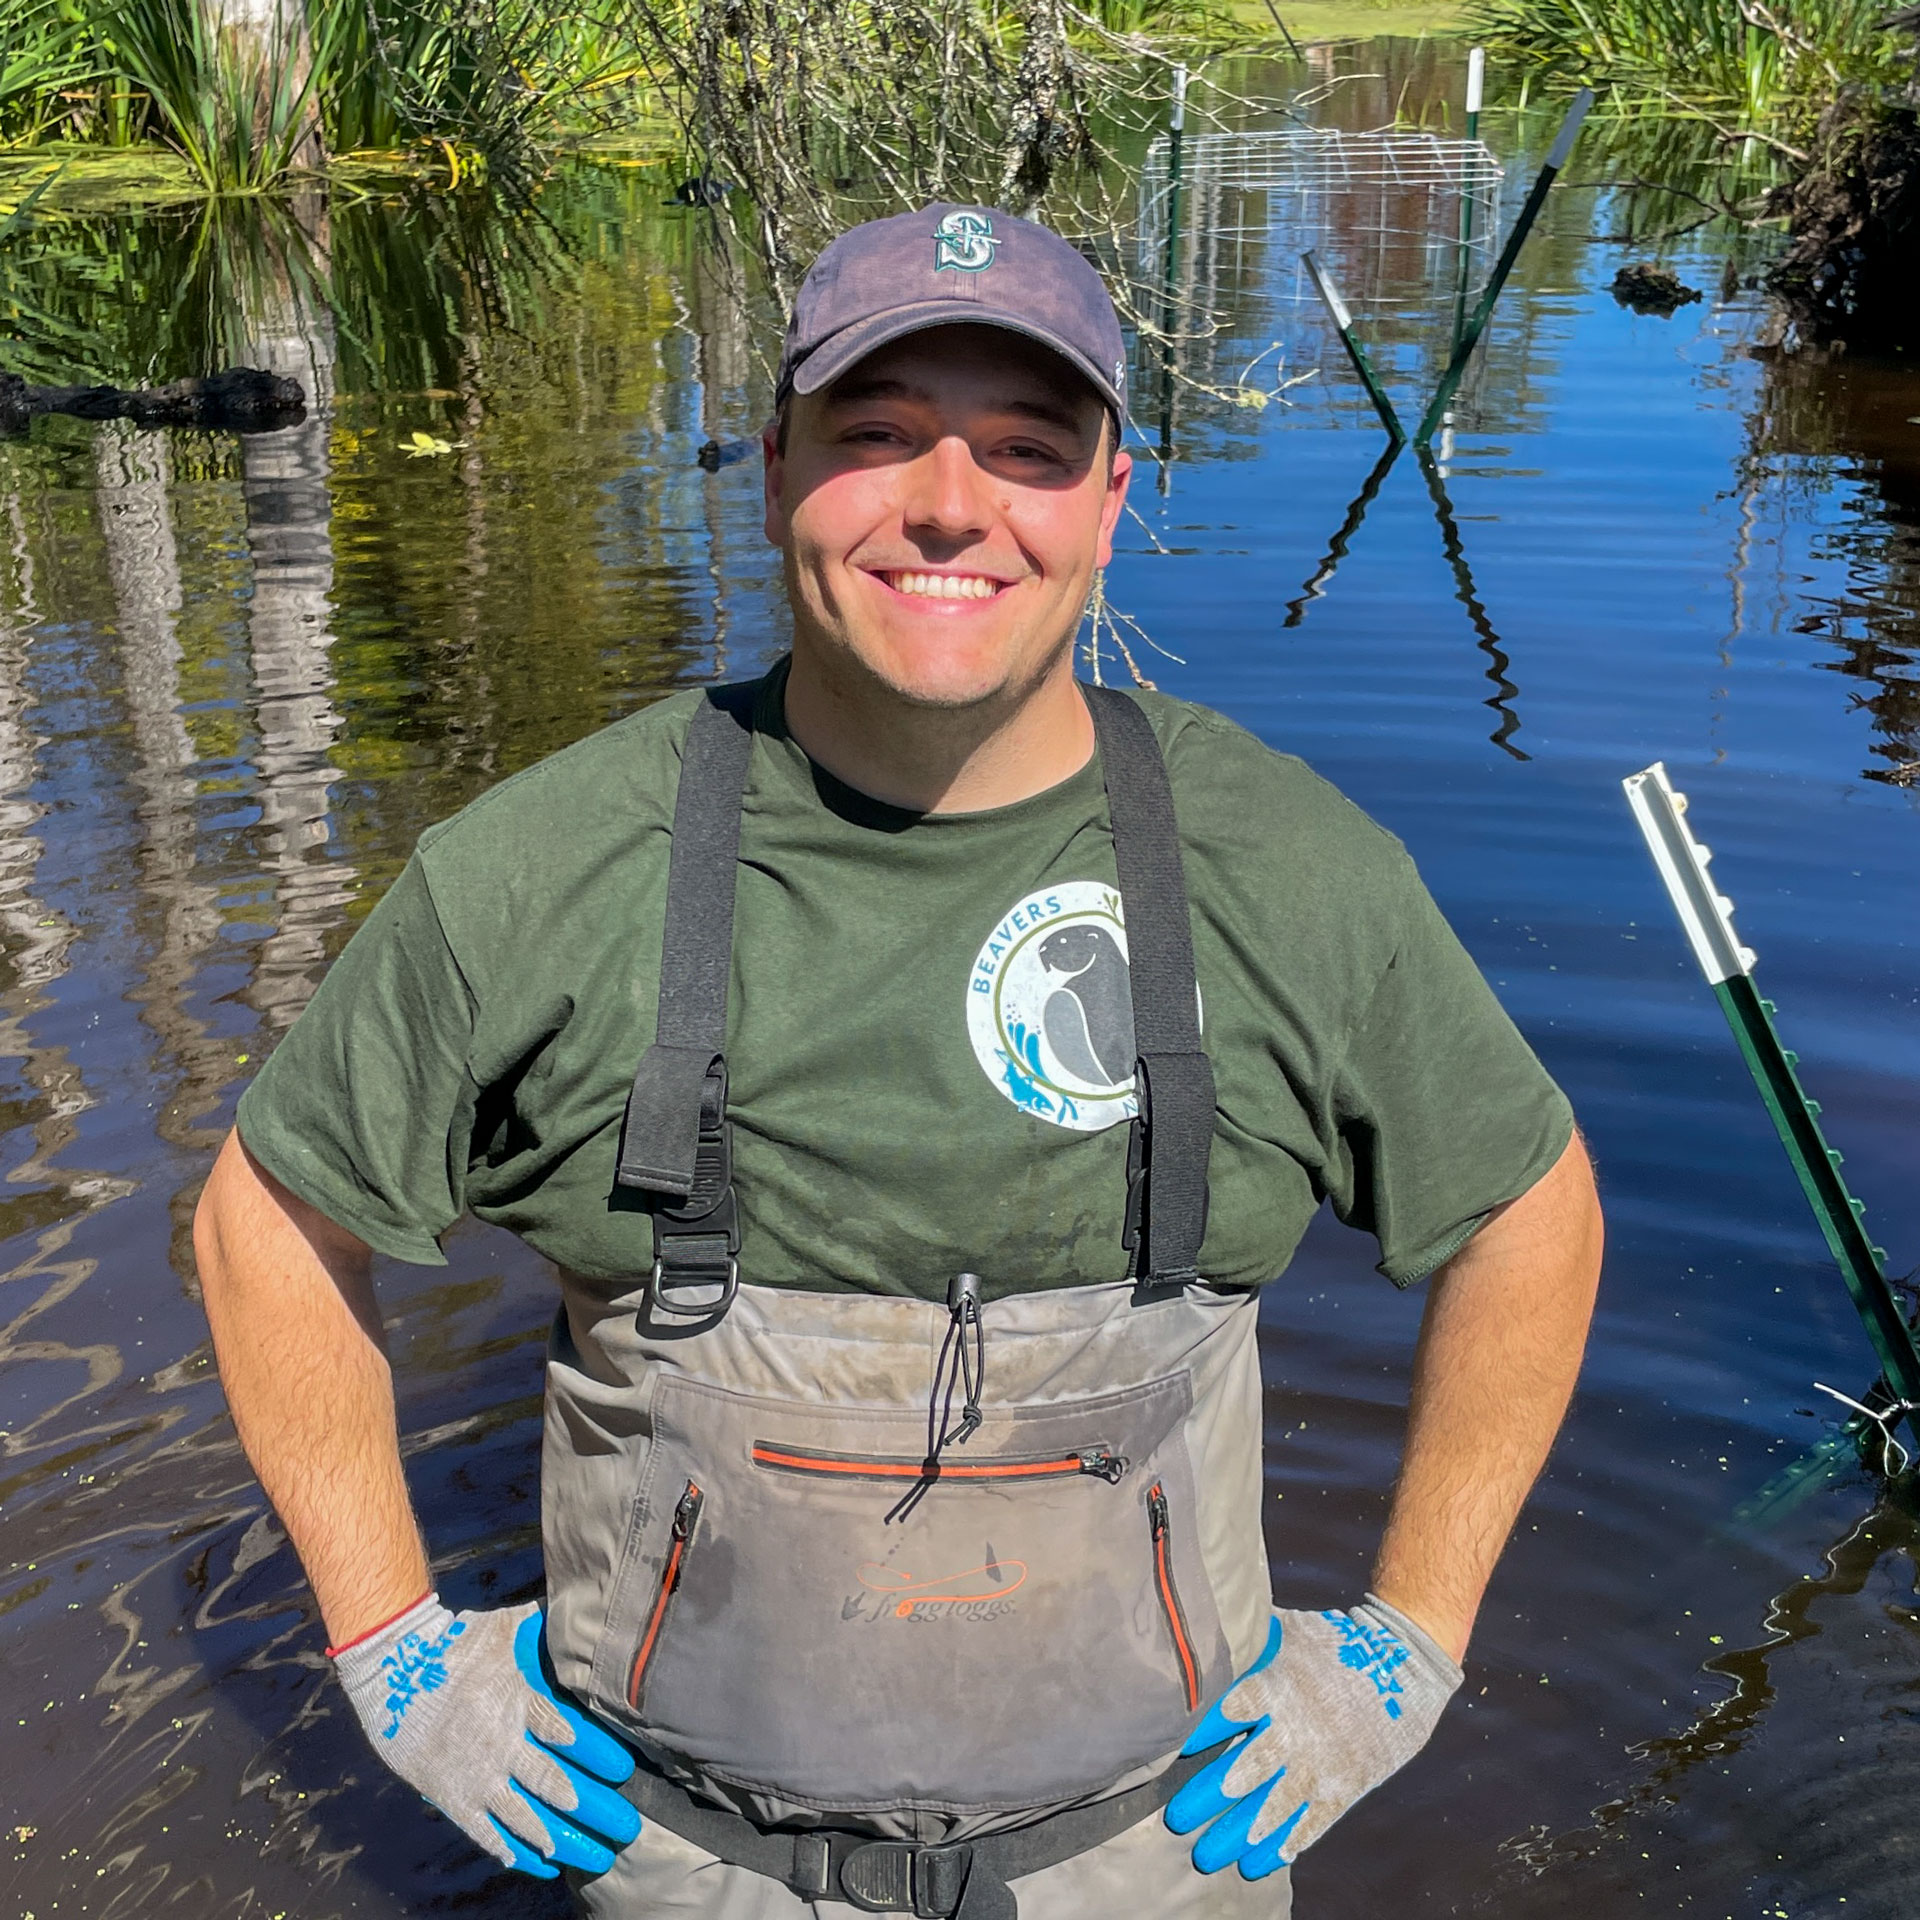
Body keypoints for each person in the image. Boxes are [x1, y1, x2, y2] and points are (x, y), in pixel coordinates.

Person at [194, 203, 1604, 1919]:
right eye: (876, 436)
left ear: (1111, 500)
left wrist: (1406, 1646)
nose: (950, 504)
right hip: (676, 1866)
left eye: (1026, 448)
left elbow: (1529, 1212)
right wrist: (395, 1648)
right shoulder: (538, 874)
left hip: (1169, 1860)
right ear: (775, 462)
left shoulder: (1293, 876)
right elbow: (265, 1223)